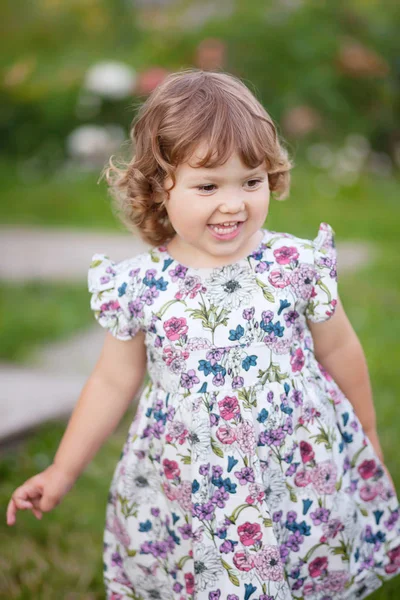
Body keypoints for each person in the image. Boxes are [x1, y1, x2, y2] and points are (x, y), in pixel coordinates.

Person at [6, 69, 400, 600]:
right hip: (195, 482)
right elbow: (110, 383)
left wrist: (367, 432)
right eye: (208, 185)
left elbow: (339, 347)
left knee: (300, 568)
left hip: (295, 467)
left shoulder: (293, 263)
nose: (234, 203)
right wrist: (62, 468)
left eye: (251, 181)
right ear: (158, 188)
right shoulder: (142, 286)